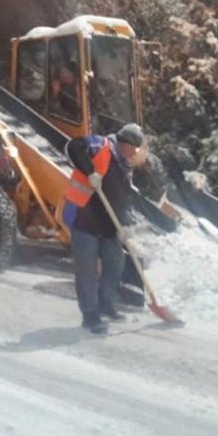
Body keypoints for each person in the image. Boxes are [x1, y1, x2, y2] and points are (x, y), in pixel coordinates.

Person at [62, 122, 144, 334]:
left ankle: (105, 304)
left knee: (115, 264)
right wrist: (90, 172)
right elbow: (73, 146)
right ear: (124, 143)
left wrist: (126, 225)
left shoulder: (126, 166)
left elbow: (123, 199)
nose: (134, 153)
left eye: (136, 150)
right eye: (132, 148)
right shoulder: (101, 145)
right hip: (84, 219)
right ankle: (90, 315)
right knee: (87, 271)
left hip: (108, 225)